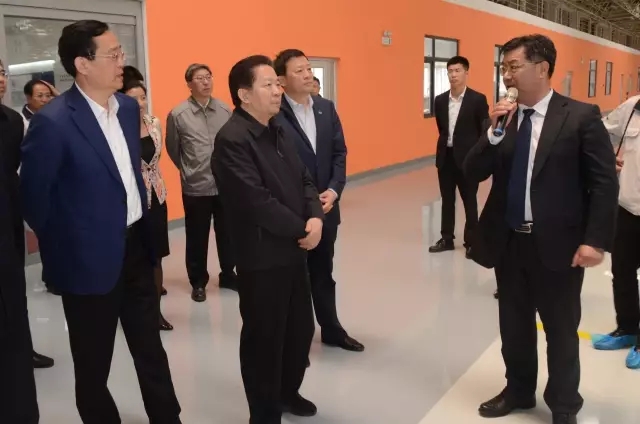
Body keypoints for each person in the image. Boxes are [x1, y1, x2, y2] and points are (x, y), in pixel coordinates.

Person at [20, 20, 181, 423]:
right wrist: (70, 248)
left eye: (121, 53)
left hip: (136, 249)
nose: (121, 61)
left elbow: (127, 174)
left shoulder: (126, 109)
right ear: (82, 64)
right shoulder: (53, 122)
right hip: (86, 263)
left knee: (150, 350)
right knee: (93, 364)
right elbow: (34, 201)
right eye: (113, 55)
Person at [463, 34, 618, 424]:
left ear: (542, 68)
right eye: (503, 67)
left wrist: (594, 240)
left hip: (559, 246)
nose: (507, 75)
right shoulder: (503, 118)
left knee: (561, 331)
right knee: (513, 326)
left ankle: (564, 405)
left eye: (514, 66)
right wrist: (493, 133)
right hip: (509, 241)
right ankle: (518, 390)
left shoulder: (580, 116)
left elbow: (603, 184)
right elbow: (472, 171)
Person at [211, 55, 322, 424]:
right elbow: (256, 202)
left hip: (293, 251)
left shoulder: (278, 128)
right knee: (264, 339)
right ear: (244, 94)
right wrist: (303, 229)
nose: (278, 90)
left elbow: (305, 178)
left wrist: (314, 216)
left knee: (299, 330)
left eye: (278, 83)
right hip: (262, 257)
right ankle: (263, 413)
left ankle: (287, 392)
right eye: (269, 84)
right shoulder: (232, 140)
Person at [274, 48, 363, 353]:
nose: (307, 74)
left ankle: (331, 329)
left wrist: (335, 190)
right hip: (292, 211)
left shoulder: (325, 108)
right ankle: (293, 337)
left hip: (326, 206)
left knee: (323, 271)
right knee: (292, 277)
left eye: (309, 68)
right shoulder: (274, 115)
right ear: (282, 80)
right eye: (298, 71)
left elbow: (339, 153)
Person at [166, 63, 237, 301]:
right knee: (197, 237)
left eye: (208, 77)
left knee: (228, 233)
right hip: (196, 186)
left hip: (225, 184)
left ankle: (228, 274)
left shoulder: (225, 110)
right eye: (199, 78)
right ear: (189, 84)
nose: (206, 82)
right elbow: (173, 149)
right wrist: (189, 170)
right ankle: (198, 282)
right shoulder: (178, 114)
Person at [0, 58, 40, 424]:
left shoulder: (13, 122)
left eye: (2, 73)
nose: (0, 80)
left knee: (14, 301)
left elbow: (18, 172)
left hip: (8, 226)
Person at [119, 78, 173, 331]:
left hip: (156, 197)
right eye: (134, 99)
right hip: (131, 200)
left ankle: (155, 313)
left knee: (156, 256)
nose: (140, 103)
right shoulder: (118, 127)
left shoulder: (154, 123)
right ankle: (129, 311)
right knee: (131, 258)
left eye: (143, 97)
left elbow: (157, 157)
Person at [592, 95, 640, 367]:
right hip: (627, 207)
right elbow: (599, 132)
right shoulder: (631, 107)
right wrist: (606, 157)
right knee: (622, 272)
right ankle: (627, 328)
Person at [429, 55, 488, 259]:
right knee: (447, 200)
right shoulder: (440, 100)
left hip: (468, 160)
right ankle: (446, 239)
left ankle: (472, 242)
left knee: (469, 201)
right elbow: (442, 128)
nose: (453, 75)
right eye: (450, 71)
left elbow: (483, 130)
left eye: (457, 71)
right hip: (445, 158)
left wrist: (477, 156)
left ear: (466, 73)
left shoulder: (477, 100)